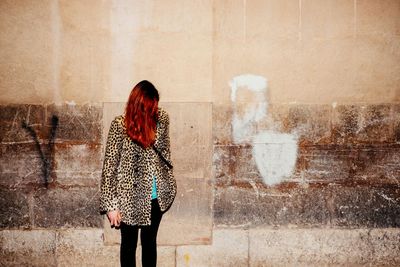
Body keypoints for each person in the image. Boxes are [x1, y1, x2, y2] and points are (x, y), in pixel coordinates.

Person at [100, 80, 177, 267]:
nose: (154, 110)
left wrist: (167, 178)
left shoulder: (162, 119)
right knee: (129, 245)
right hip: (129, 197)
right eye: (150, 107)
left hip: (156, 195)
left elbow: (164, 153)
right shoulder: (120, 126)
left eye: (155, 106)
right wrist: (111, 205)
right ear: (138, 105)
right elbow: (109, 166)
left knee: (150, 243)